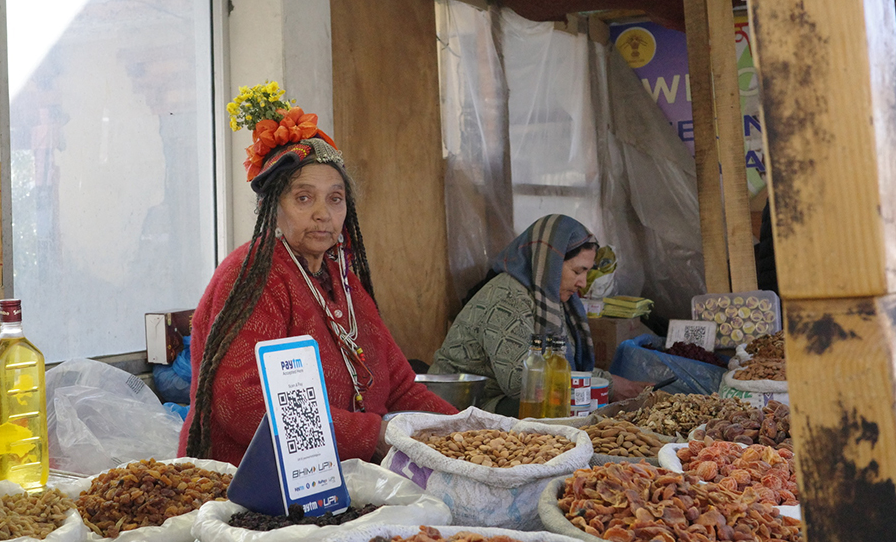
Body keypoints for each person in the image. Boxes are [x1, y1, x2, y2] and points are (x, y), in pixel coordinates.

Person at [180, 82, 457, 465]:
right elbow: (240, 403)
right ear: (271, 207)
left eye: (335, 198)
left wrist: (466, 431)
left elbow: (398, 387)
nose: (323, 214)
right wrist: (369, 435)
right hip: (249, 484)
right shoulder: (252, 277)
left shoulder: (338, 277)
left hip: (332, 477)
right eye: (303, 198)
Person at [429, 214, 650, 415]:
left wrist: (606, 383)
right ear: (550, 264)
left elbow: (556, 363)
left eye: (587, 273)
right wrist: (608, 384)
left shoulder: (551, 299)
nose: (582, 283)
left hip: (498, 399)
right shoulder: (508, 298)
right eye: (577, 271)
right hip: (464, 405)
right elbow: (523, 384)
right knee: (546, 406)